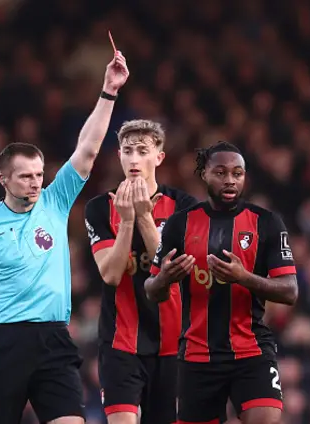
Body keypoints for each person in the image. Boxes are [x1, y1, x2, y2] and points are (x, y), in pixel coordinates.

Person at [0, 50, 130, 424]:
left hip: (55, 339)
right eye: (26, 176)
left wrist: (108, 92)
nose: (36, 181)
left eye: (39, 174)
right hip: (8, 342)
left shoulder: (54, 202)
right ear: (3, 179)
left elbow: (87, 149)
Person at [145, 141, 298, 424]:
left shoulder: (267, 223)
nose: (230, 180)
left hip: (251, 350)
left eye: (237, 173)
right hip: (197, 356)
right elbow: (151, 290)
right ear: (204, 174)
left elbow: (290, 291)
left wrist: (244, 278)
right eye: (221, 172)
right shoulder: (179, 224)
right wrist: (165, 278)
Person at [84, 119, 198, 424]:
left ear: (159, 157)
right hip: (120, 341)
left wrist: (144, 215)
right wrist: (128, 222)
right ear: (119, 156)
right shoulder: (99, 207)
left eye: (142, 151)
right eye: (127, 151)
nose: (134, 159)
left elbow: (171, 268)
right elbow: (110, 274)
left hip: (173, 343)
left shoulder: (185, 206)